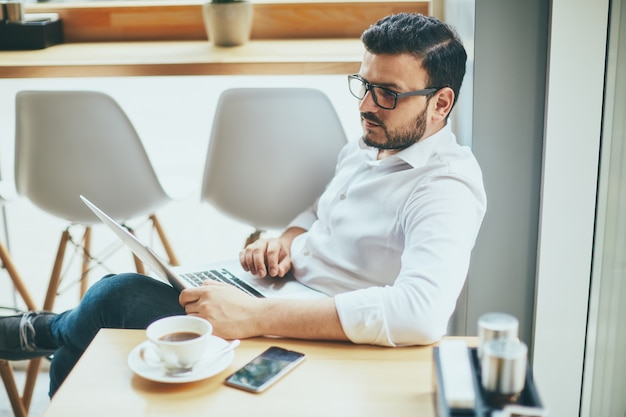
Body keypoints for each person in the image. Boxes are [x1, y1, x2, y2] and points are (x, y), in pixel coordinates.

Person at [0, 12, 486, 397]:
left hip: (309, 334)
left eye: (387, 93)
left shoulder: (445, 187)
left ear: (441, 103)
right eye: (363, 85)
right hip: (279, 294)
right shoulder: (375, 140)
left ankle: (42, 331)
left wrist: (255, 316)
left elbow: (421, 312)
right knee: (98, 324)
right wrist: (287, 242)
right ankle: (54, 340)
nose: (365, 106)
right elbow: (320, 214)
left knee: (112, 300)